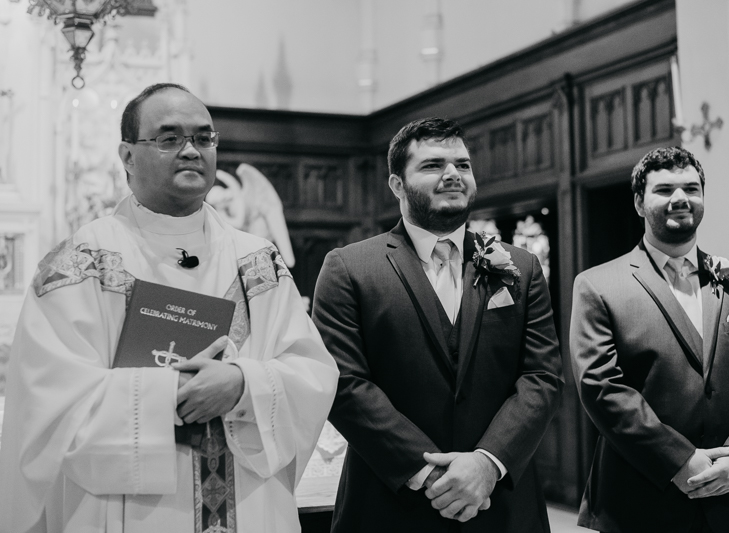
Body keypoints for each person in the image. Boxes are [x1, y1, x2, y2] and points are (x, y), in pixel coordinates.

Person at [0, 83, 339, 533]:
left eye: (204, 138)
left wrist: (242, 384)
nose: (191, 150)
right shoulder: (84, 260)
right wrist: (170, 396)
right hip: (131, 510)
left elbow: (313, 373)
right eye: (168, 138)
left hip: (248, 503)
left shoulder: (257, 260)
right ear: (126, 156)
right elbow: (47, 402)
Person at [312, 117, 563, 532]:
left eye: (462, 165)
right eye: (432, 165)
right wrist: (429, 475)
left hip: (499, 504)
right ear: (397, 184)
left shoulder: (521, 266)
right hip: (390, 505)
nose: (452, 175)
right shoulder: (349, 268)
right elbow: (345, 384)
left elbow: (543, 377)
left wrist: (486, 464)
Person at [569, 146, 729, 533]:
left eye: (691, 188)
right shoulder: (598, 285)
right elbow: (601, 388)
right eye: (664, 189)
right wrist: (680, 460)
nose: (680, 199)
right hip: (642, 501)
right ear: (639, 203)